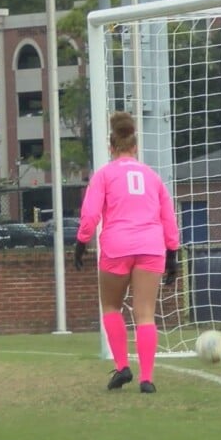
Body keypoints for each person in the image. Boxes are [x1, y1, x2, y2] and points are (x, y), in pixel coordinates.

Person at [74, 111, 180, 394]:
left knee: (111, 306)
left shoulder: (104, 175)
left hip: (117, 246)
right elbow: (168, 217)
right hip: (151, 246)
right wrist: (173, 253)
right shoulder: (153, 177)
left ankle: (122, 366)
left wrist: (81, 242)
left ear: (111, 147)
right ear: (136, 147)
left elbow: (91, 214)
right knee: (145, 314)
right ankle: (147, 379)